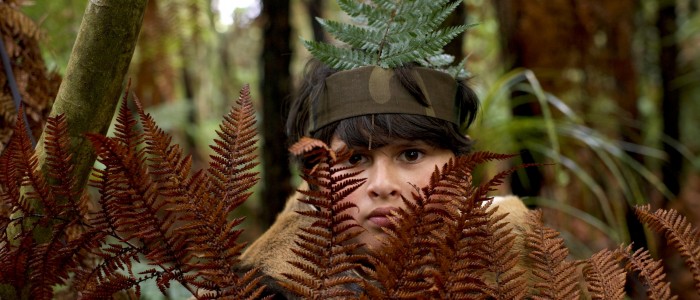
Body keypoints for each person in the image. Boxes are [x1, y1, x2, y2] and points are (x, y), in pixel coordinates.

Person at [237, 59, 530, 298]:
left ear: (460, 167)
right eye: (354, 159)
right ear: (316, 182)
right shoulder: (260, 288)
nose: (382, 185)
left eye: (412, 155)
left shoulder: (529, 269)